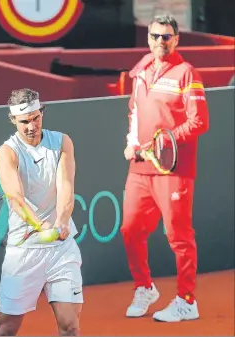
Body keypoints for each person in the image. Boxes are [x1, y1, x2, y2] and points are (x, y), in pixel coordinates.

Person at [121, 14, 210, 322]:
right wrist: (132, 141)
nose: (161, 41)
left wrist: (167, 142)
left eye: (167, 36)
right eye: (156, 36)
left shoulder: (188, 73)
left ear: (176, 39)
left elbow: (199, 121)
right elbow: (134, 111)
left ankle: (187, 300)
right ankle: (144, 288)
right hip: (140, 167)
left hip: (174, 169)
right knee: (130, 230)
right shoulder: (141, 71)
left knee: (179, 236)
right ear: (148, 39)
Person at [0, 88, 83, 336]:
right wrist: (42, 227)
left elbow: (66, 186)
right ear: (13, 120)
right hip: (24, 251)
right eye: (24, 121)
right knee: (6, 329)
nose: (31, 126)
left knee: (70, 326)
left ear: (42, 113)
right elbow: (16, 199)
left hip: (61, 250)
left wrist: (62, 222)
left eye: (36, 118)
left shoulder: (62, 142)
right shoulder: (7, 152)